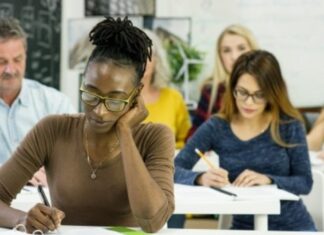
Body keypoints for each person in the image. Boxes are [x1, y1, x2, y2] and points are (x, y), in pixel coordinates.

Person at [0, 17, 175, 233]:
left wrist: (125, 133)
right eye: (91, 94)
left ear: (136, 95)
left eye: (114, 100)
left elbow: (153, 221)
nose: (99, 111)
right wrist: (25, 218)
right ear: (83, 81)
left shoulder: (155, 137)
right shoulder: (53, 130)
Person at [175, 50, 316, 231]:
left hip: (293, 227)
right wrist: (201, 178)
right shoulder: (217, 126)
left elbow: (304, 182)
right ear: (232, 88)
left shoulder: (289, 125)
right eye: (242, 92)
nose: (249, 102)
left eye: (259, 95)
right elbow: (172, 170)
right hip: (244, 228)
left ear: (273, 93)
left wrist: (268, 179)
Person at [0, 18, 75, 185]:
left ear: (26, 56)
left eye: (17, 60)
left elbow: (79, 155)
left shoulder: (56, 103)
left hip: (45, 200)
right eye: (1, 61)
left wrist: (55, 170)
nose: (10, 70)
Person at [186, 24, 259, 139]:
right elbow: (193, 137)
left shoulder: (268, 86)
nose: (234, 56)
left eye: (241, 48)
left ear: (253, 50)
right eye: (226, 51)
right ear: (220, 56)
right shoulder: (211, 90)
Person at [141, 29, 191, 149]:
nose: (140, 60)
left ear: (156, 60)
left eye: (146, 53)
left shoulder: (173, 98)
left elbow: (187, 140)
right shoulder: (115, 100)